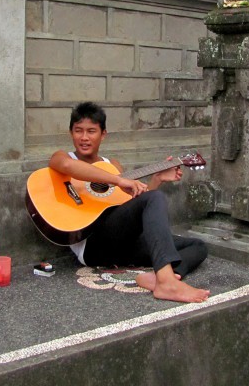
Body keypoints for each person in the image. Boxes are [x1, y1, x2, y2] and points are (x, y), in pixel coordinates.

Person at [48, 102, 210, 303]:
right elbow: (65, 165)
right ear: (70, 133)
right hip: (93, 244)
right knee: (156, 198)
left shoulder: (112, 165)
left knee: (198, 246)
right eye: (78, 131)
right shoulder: (63, 157)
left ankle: (162, 277)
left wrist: (157, 179)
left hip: (123, 244)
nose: (84, 137)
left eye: (91, 131)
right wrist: (118, 180)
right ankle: (167, 283)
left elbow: (138, 207)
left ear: (103, 134)